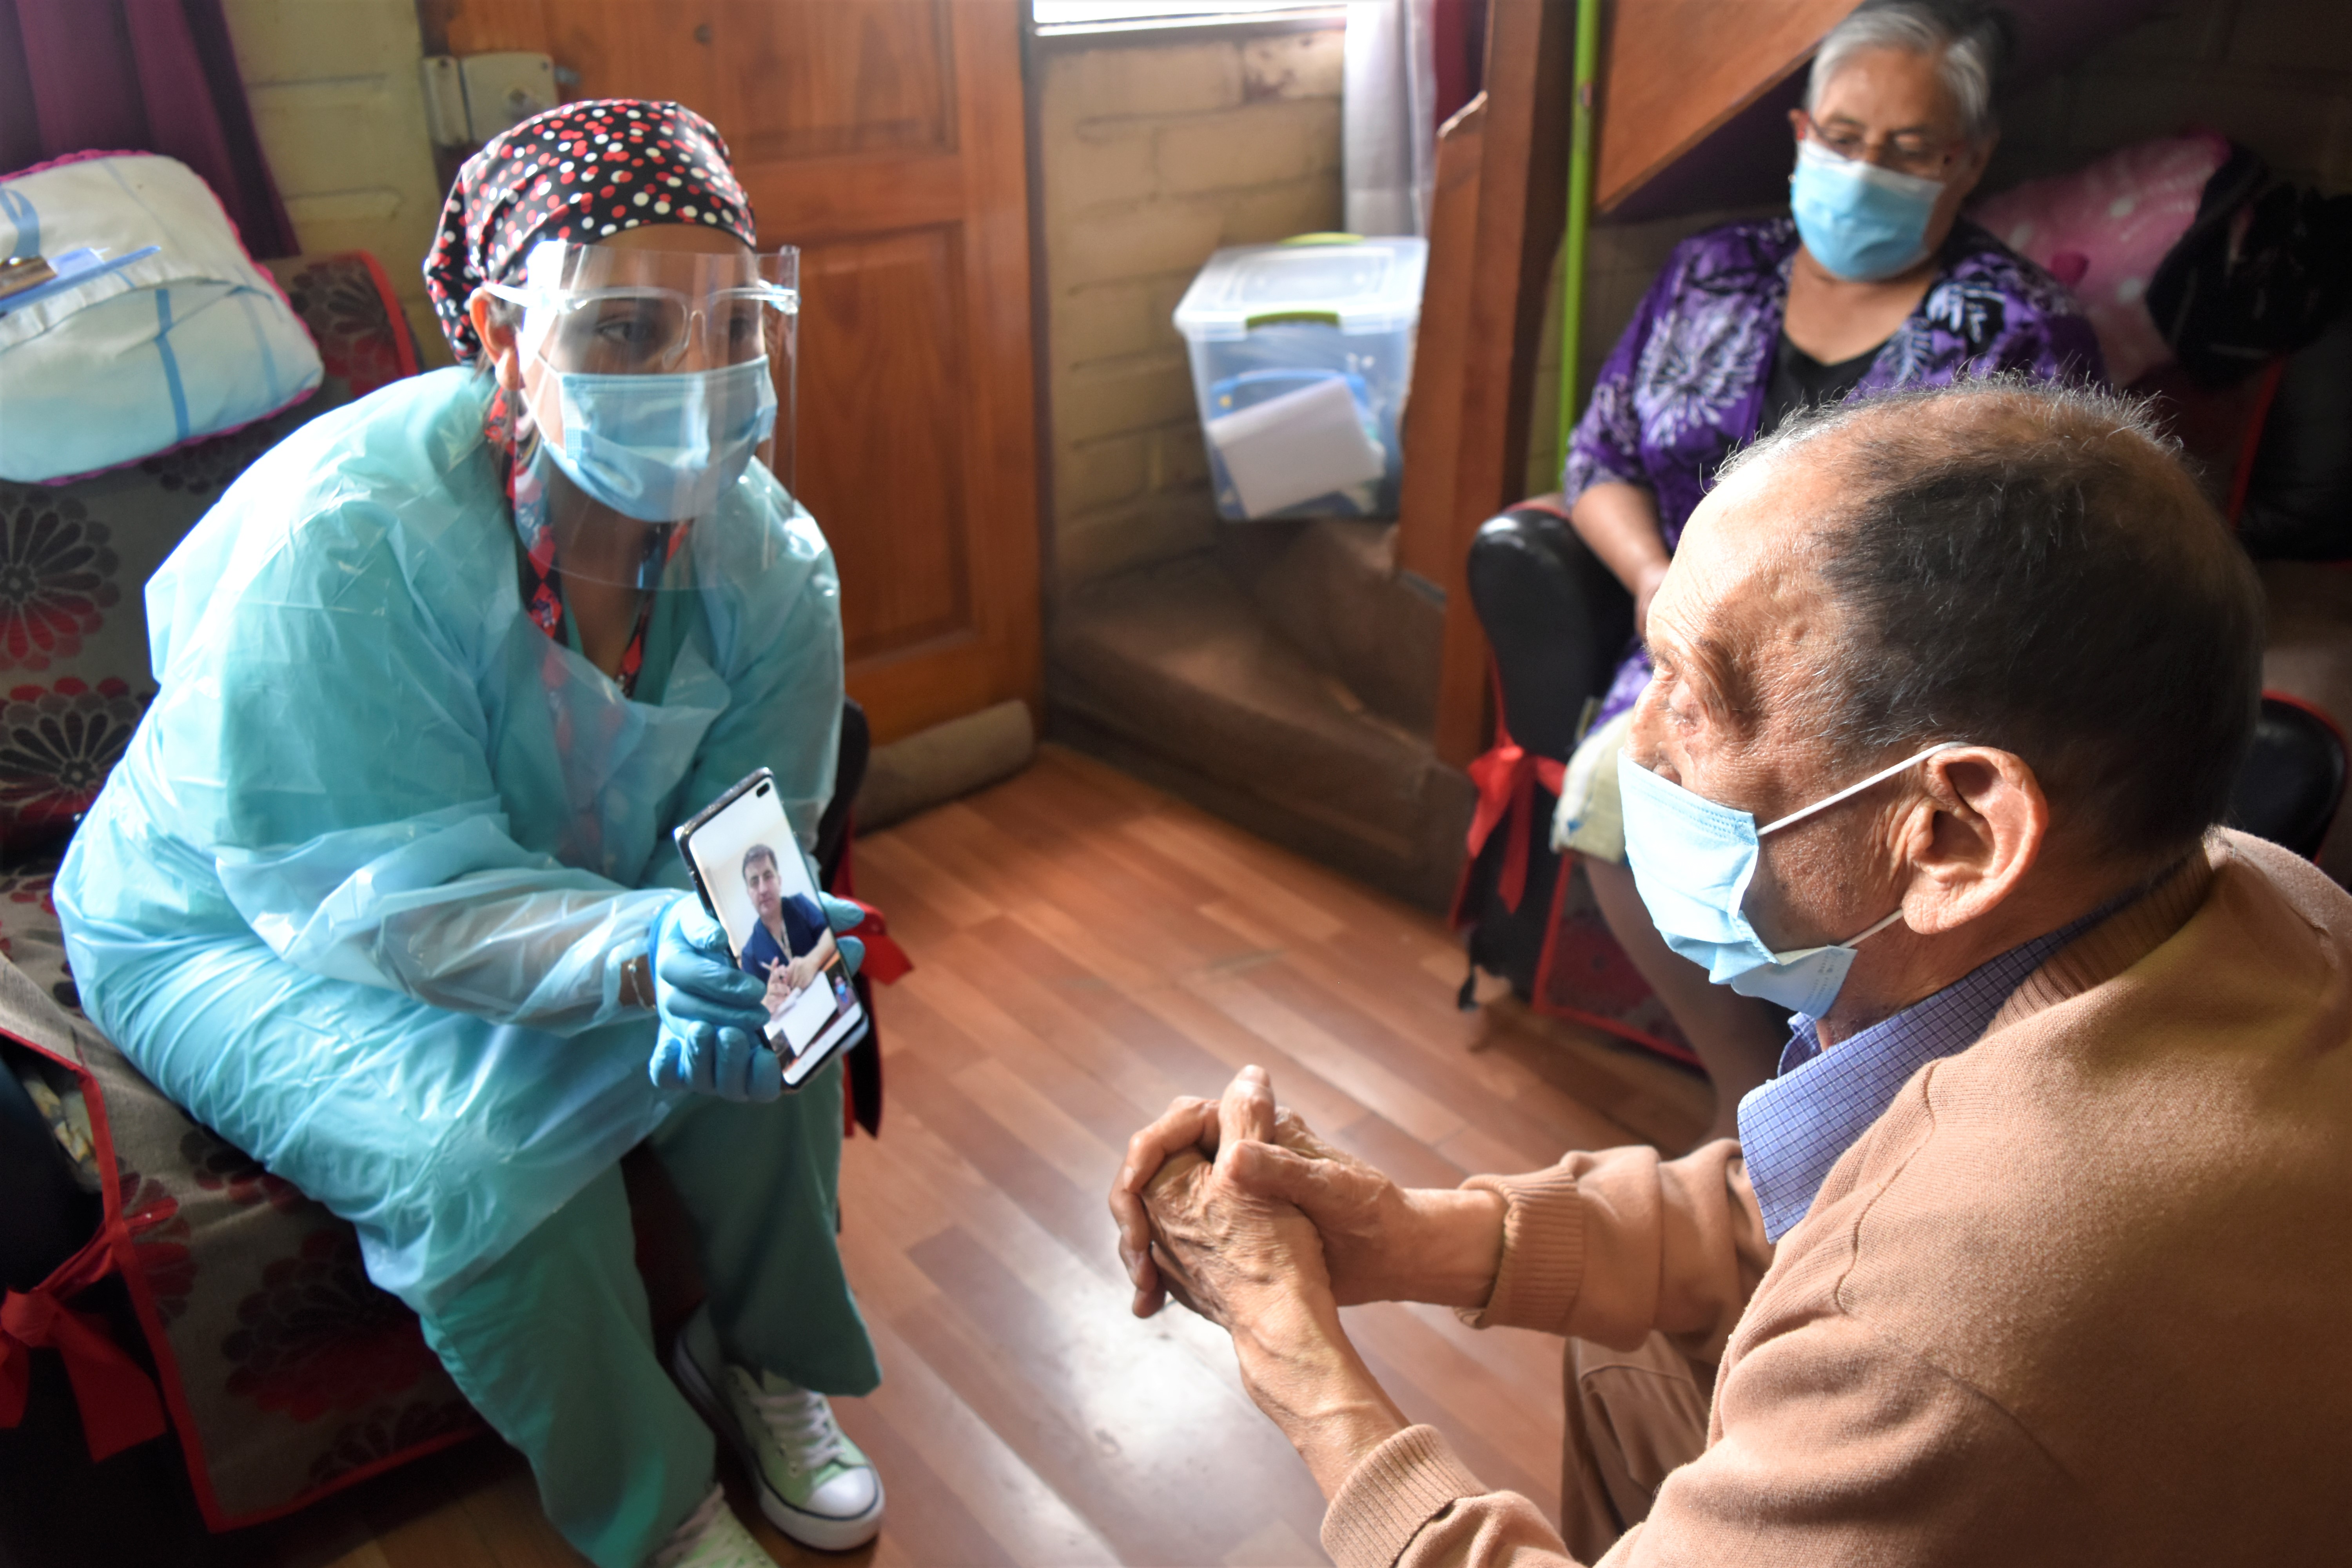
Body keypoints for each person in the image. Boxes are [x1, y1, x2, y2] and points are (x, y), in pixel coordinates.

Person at [1113, 379, 2352, 1564]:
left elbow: (1894, 1279)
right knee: (1631, 1349)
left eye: (1694, 702)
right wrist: (1404, 1234)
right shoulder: (2246, 882)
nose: (1633, 746)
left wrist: (1295, 1355)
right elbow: (1809, 1205)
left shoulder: (1946, 1325)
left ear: (1954, 835)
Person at [56, 102, 887, 1568]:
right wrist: (649, 948)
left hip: (549, 883)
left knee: (790, 1009)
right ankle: (656, 1503)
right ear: (505, 335)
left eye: (729, 325)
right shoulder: (347, 541)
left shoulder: (772, 563)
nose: (692, 380)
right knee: (481, 1165)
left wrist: (754, 958)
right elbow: (374, 895)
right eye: (626, 330)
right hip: (232, 919)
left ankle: (759, 1349)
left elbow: (755, 839)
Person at [1556, 0, 2104, 1135]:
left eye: (1908, 151)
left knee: (1853, 852)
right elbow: (1597, 461)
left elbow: (2030, 584)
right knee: (1612, 794)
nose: (1865, 170)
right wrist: (1656, 582)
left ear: (1969, 160)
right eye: (1844, 139)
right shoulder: (1711, 274)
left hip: (1891, 691)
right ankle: (1743, 1091)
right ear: (1801, 134)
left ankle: (1852, 1099)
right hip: (1686, 652)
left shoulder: (2019, 334)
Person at [739, 841, 835, 1011]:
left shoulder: (800, 904)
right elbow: (753, 1006)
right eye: (754, 882)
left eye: (768, 876)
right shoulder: (749, 954)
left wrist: (812, 961)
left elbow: (830, 935)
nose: (763, 889)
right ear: (749, 893)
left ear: (779, 880)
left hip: (829, 994)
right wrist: (768, 1001)